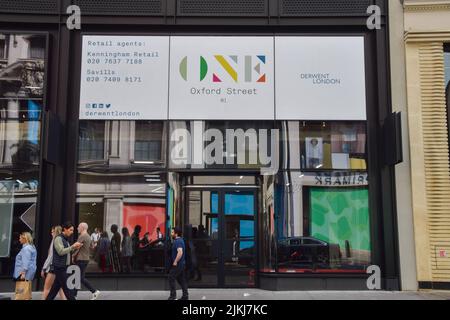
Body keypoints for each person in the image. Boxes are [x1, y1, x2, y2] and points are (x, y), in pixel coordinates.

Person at [46, 222, 82, 300]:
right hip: (60, 267)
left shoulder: (64, 239)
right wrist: (73, 246)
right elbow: (61, 251)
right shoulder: (59, 238)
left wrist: (75, 247)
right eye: (71, 230)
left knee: (54, 289)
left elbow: (66, 251)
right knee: (67, 290)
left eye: (72, 230)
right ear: (65, 229)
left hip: (63, 267)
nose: (72, 232)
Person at [73, 222, 101, 300]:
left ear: (83, 228)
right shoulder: (88, 236)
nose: (77, 228)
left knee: (80, 278)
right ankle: (74, 295)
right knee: (78, 277)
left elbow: (76, 247)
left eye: (78, 227)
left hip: (81, 259)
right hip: (85, 259)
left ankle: (94, 291)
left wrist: (72, 255)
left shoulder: (82, 236)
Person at [41, 226, 66, 300]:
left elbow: (50, 256)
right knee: (60, 288)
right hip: (60, 267)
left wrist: (44, 268)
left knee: (47, 288)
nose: (51, 233)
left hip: (53, 267)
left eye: (52, 232)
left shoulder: (55, 240)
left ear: (55, 232)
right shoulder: (62, 240)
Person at [13, 232, 37, 300]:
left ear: (25, 239)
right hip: (30, 271)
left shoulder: (26, 249)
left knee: (22, 293)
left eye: (20, 238)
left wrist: (23, 273)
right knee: (26, 292)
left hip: (25, 272)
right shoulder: (32, 247)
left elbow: (26, 261)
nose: (19, 239)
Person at [167, 227, 188, 300]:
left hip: (178, 264)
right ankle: (185, 296)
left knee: (171, 277)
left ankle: (173, 296)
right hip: (181, 264)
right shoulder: (179, 240)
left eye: (172, 232)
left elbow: (180, 252)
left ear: (176, 234)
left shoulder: (178, 241)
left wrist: (175, 261)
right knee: (181, 280)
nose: (171, 234)